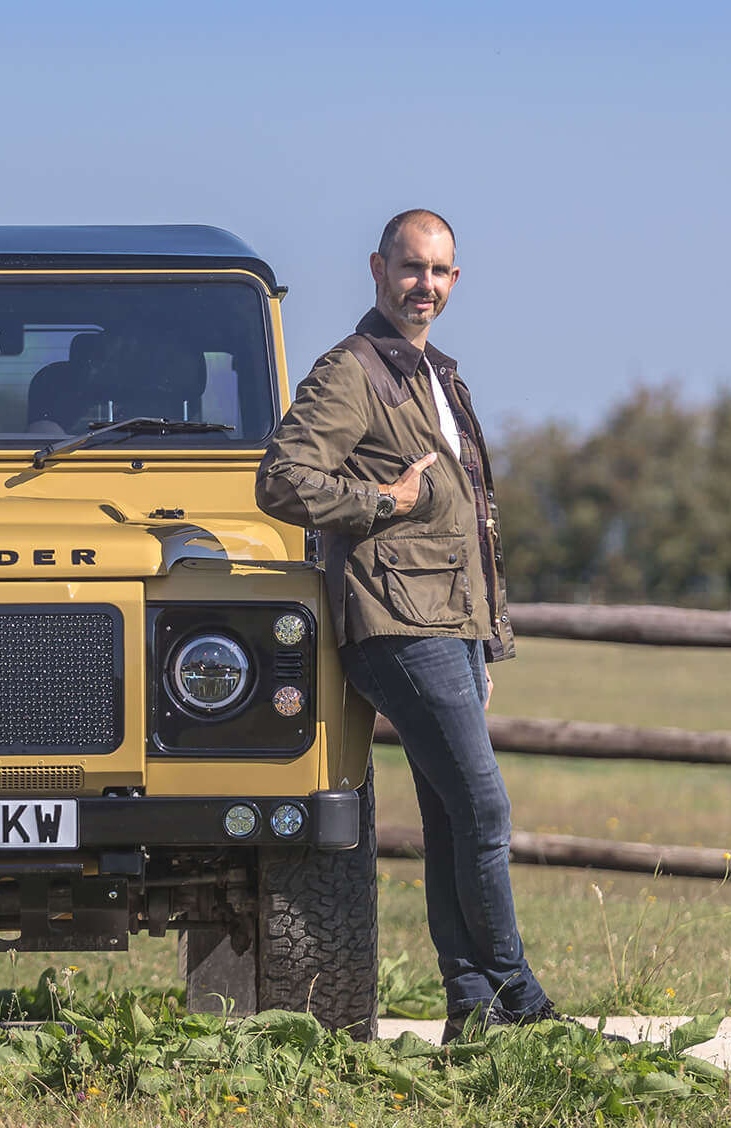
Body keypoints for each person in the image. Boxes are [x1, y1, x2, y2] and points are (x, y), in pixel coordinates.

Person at [256, 209, 554, 1040]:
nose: (426, 286)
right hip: (394, 622)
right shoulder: (352, 370)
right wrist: (378, 502)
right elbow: (281, 479)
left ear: (455, 281)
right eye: (412, 268)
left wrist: (480, 638)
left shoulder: (434, 376)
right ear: (379, 268)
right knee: (485, 812)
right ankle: (518, 993)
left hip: (445, 624)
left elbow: (468, 518)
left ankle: (472, 1011)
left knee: (453, 813)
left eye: (440, 273)